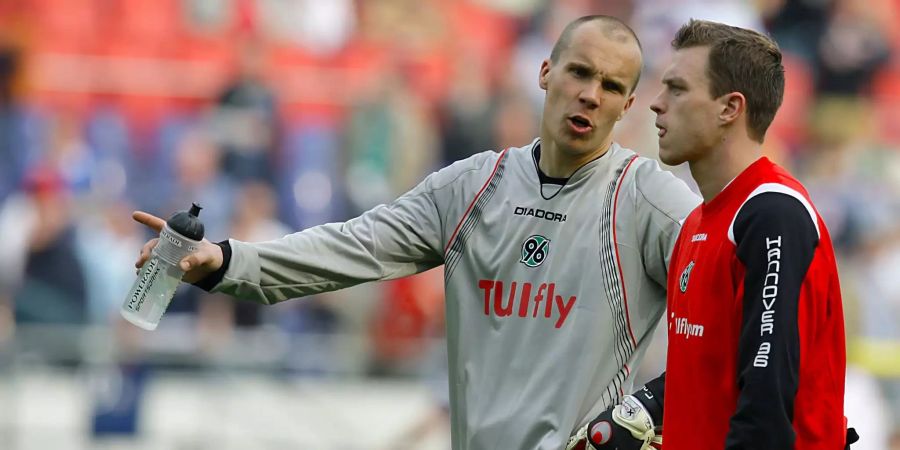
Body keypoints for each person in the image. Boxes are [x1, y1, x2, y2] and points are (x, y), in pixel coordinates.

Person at [133, 15, 699, 450]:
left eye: (611, 84)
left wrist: (653, 406)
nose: (591, 94)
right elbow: (352, 245)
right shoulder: (474, 185)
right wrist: (227, 261)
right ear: (546, 72)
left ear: (628, 104)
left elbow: (744, 308)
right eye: (580, 71)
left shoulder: (651, 201)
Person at [649, 19, 856, 449]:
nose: (656, 103)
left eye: (678, 89)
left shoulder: (771, 214)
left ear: (730, 108)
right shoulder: (699, 220)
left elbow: (767, 407)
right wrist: (641, 407)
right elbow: (713, 366)